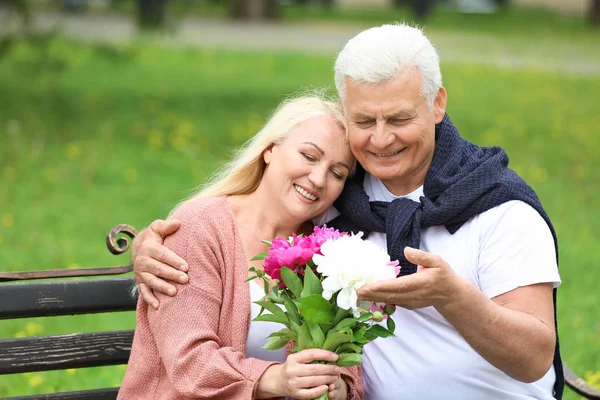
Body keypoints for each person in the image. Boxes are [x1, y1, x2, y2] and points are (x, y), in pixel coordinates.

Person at [131, 23, 564, 400]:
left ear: (437, 104)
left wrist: (452, 298)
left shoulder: (498, 206)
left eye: (398, 119)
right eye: (363, 121)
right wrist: (151, 246)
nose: (379, 140)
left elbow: (533, 360)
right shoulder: (335, 213)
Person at [118, 95, 363, 400]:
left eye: (337, 173)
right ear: (270, 150)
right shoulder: (200, 227)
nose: (318, 178)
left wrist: (336, 387)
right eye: (309, 156)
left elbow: (346, 364)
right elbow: (189, 363)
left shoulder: (326, 252)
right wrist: (279, 379)